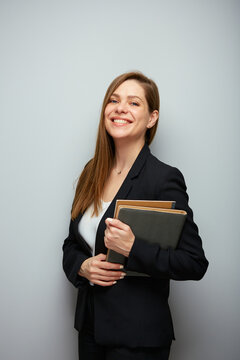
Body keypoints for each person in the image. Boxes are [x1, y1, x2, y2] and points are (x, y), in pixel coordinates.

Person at [62, 71, 208, 360]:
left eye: (134, 103)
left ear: (152, 118)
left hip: (137, 339)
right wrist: (82, 267)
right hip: (90, 331)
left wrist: (132, 248)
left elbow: (194, 263)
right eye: (114, 100)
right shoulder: (92, 172)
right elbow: (71, 245)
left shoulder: (163, 179)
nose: (120, 108)